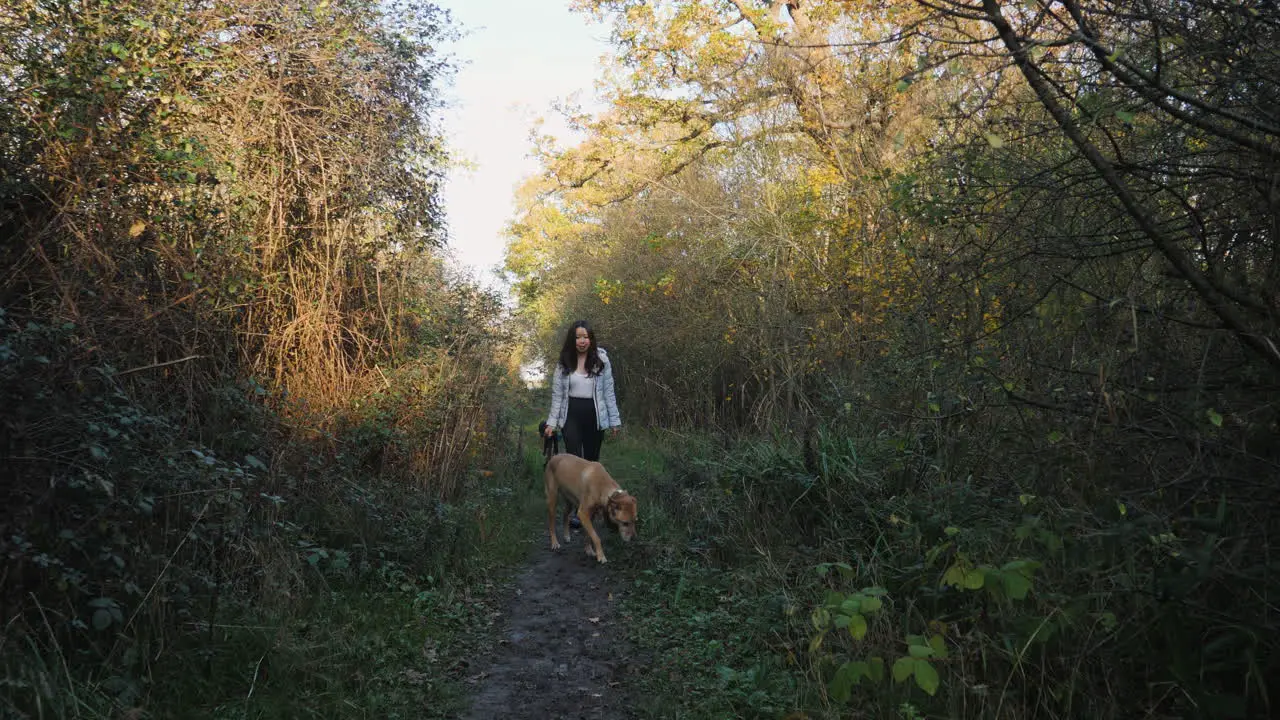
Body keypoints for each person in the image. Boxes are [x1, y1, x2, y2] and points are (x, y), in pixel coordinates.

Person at [544, 320, 622, 527]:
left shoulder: (602, 360)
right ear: (573, 339)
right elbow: (558, 396)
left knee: (592, 462)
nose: (582, 341)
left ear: (591, 339)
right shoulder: (563, 363)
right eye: (578, 337)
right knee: (575, 463)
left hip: (594, 417)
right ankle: (579, 512)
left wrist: (614, 421)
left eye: (585, 337)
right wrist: (552, 423)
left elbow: (608, 392)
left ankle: (590, 507)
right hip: (571, 417)